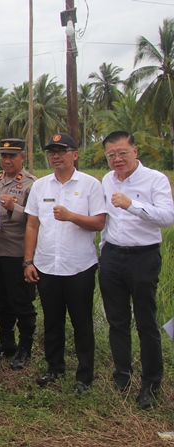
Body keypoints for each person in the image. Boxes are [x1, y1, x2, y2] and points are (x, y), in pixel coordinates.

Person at [23, 133, 106, 395]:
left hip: (79, 267)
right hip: (47, 265)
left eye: (62, 150)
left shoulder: (91, 185)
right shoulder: (41, 186)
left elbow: (100, 223)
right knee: (52, 321)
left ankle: (84, 376)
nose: (56, 156)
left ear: (75, 154)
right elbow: (32, 225)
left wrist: (71, 216)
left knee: (82, 322)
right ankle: (54, 367)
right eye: (51, 151)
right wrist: (28, 260)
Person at [98, 130, 174, 409]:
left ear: (135, 151)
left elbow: (167, 217)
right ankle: (122, 375)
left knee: (146, 322)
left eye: (122, 153)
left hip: (143, 257)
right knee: (117, 321)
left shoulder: (155, 179)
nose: (117, 159)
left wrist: (133, 205)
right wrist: (103, 251)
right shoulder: (106, 180)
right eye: (111, 155)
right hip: (112, 256)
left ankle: (151, 383)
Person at [0, 139, 37, 370]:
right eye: (3, 156)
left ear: (22, 158)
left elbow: (37, 221)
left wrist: (13, 208)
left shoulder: (32, 184)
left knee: (21, 302)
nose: (7, 160)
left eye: (12, 156)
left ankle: (25, 348)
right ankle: (6, 342)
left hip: (17, 252)